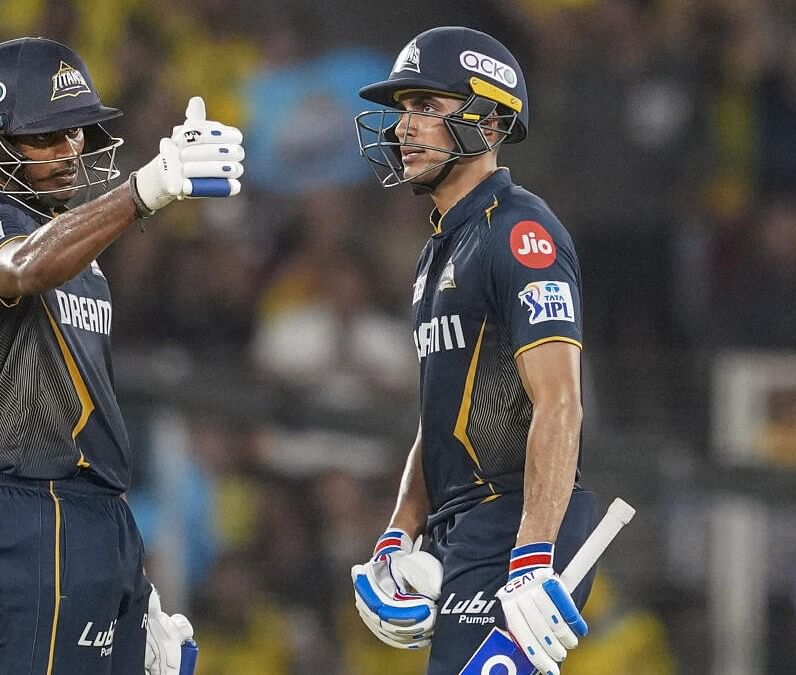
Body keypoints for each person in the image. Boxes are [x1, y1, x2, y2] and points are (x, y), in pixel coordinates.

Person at [0, 36, 244, 674]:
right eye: (47, 137)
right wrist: (146, 189)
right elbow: (22, 266)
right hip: (30, 511)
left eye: (75, 133)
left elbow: (86, 408)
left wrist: (124, 563)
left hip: (89, 513)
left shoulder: (82, 254)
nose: (70, 151)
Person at [349, 27, 599, 675]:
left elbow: (561, 401)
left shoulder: (521, 232)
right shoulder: (438, 251)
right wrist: (399, 529)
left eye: (427, 107)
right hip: (467, 528)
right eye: (404, 108)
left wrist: (532, 556)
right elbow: (441, 412)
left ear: (488, 122)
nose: (405, 126)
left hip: (517, 521)